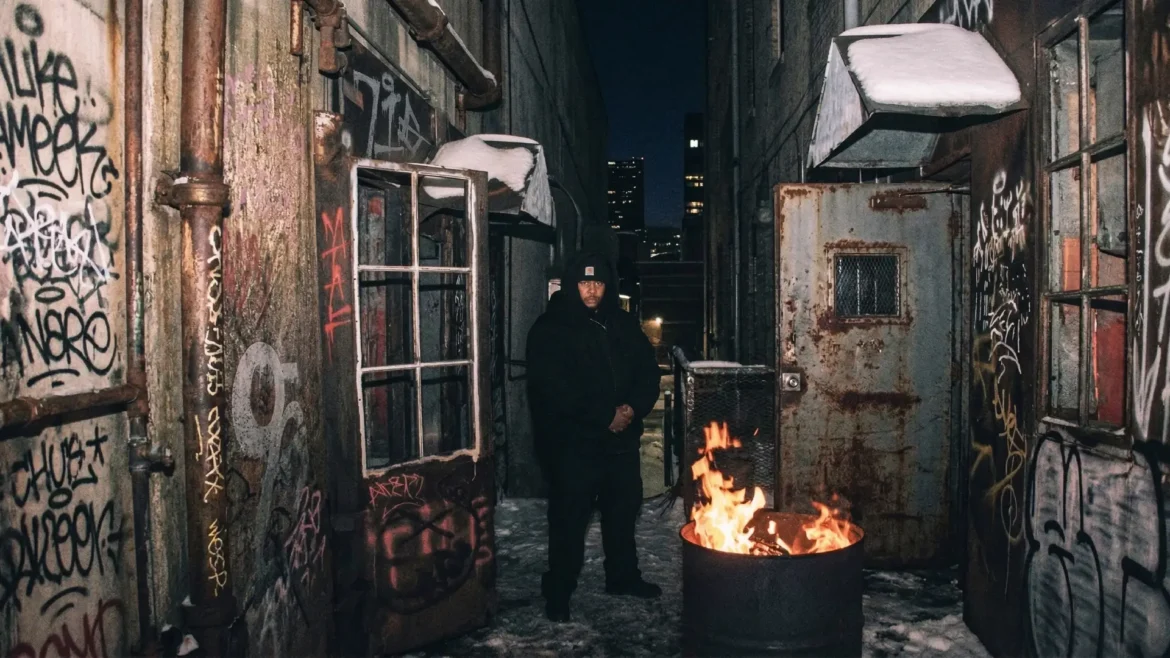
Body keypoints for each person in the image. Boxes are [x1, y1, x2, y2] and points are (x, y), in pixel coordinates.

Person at [526, 252, 664, 623]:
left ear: (608, 286)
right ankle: (558, 590)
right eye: (584, 283)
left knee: (622, 513)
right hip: (573, 445)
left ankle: (623, 577)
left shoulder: (622, 324)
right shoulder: (551, 328)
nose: (591, 290)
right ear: (572, 285)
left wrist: (632, 410)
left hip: (619, 445)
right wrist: (605, 415)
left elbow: (647, 374)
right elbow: (553, 388)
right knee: (569, 519)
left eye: (598, 283)